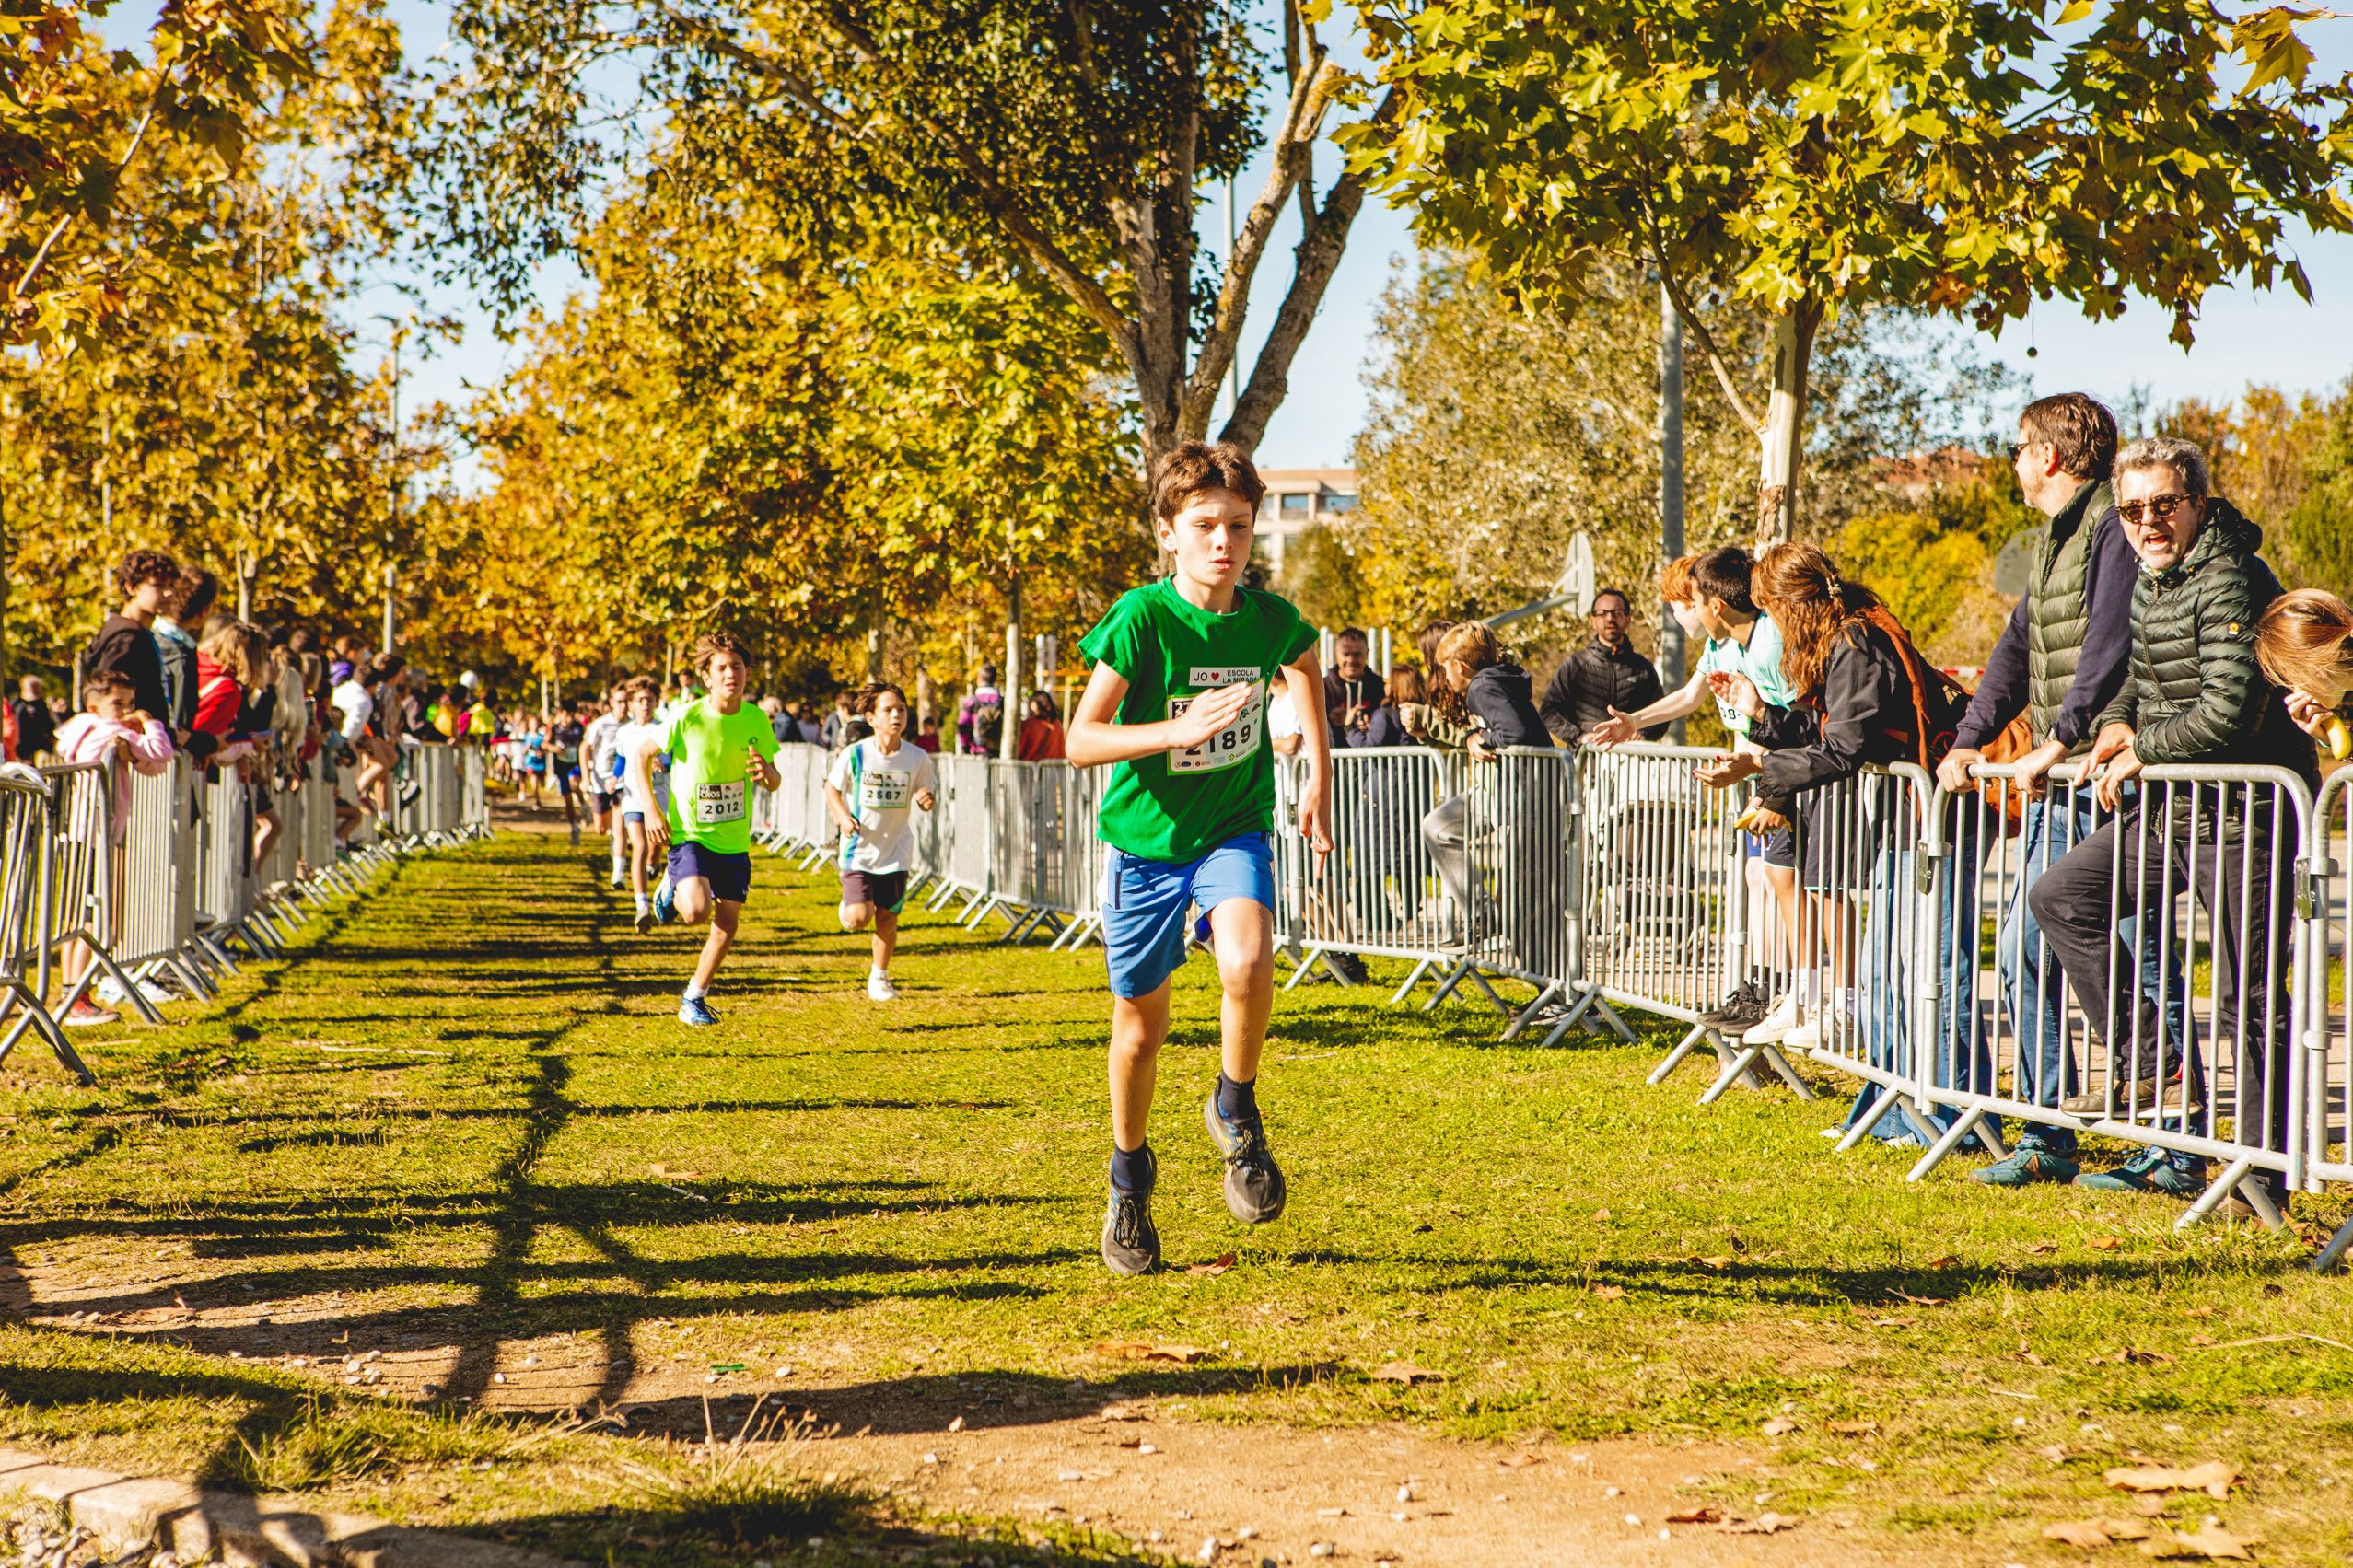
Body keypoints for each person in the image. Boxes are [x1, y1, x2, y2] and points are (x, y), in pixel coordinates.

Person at [2028, 436, 2315, 1220]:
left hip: (2241, 818)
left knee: (2246, 1000)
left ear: (2195, 502)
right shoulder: (2154, 578)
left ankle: (2260, 1180)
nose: (2146, 523)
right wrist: (2118, 727)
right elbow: (2134, 680)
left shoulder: (2227, 575)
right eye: (2131, 510)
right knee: (2060, 897)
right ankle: (2153, 1057)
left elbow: (2229, 708)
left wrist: (2143, 750)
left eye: (2162, 505)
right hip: (2174, 807)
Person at [1067, 440, 1332, 1277]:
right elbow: (1080, 741)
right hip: (1144, 844)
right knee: (1139, 1033)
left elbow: (1303, 664)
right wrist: (1176, 730)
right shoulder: (1143, 618)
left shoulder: (1266, 618)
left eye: (1240, 526)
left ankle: (1235, 1104)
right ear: (1168, 533)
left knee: (1250, 957)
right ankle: (1128, 1177)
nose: (1224, 541)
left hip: (1233, 825)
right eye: (1205, 524)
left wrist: (1318, 770)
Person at [1928, 394, 2187, 1191]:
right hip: (2061, 775)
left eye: (2016, 448)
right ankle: (2048, 1134)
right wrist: (1969, 738)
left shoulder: (2110, 526)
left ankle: (2175, 1143)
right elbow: (2015, 649)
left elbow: (2110, 644)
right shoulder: (2051, 539)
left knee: (2144, 960)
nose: (2011, 461)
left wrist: (2058, 739)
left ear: (2047, 454)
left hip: (2098, 775)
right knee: (2018, 954)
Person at [635, 631, 783, 1026]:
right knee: (697, 912)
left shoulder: (756, 720)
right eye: (721, 668)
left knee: (727, 924)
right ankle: (672, 886)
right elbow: (641, 755)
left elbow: (774, 779)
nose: (730, 674)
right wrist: (651, 809)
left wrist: (766, 771)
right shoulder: (687, 716)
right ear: (707, 676)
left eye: (737, 667)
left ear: (747, 673)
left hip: (734, 840)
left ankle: (693, 998)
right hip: (692, 835)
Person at [50, 670, 176, 1027]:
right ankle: (76, 997)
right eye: (117, 704)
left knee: (79, 918)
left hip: (79, 831)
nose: (126, 712)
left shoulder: (79, 730)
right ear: (94, 706)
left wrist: (134, 753)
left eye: (131, 704)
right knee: (96, 919)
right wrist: (149, 722)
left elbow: (150, 764)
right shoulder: (111, 732)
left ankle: (72, 992)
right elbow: (162, 752)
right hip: (96, 832)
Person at [1417, 621, 1551, 943]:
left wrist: (1483, 737)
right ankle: (1483, 915)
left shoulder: (1482, 686)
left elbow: (1515, 732)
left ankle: (1546, 981)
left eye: (1445, 669)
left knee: (1523, 895)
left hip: (1522, 795)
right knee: (1437, 826)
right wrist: (1472, 736)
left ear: (1460, 666)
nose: (1445, 678)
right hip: (1501, 790)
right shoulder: (1497, 680)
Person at [825, 681, 939, 1001]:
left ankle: (880, 976)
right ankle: (849, 910)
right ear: (871, 717)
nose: (896, 716)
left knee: (888, 918)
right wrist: (843, 817)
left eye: (901, 710)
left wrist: (924, 797)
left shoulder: (917, 757)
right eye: (888, 710)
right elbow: (832, 789)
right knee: (860, 917)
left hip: (897, 849)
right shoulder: (856, 755)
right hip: (860, 849)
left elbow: (923, 788)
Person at [1538, 588, 1665, 747]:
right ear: (1593, 620)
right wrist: (1580, 737)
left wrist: (1643, 734)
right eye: (1602, 613)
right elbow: (1548, 711)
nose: (1609, 618)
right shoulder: (1576, 664)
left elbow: (1662, 713)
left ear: (1628, 618)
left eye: (1617, 613)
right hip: (1588, 760)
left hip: (1633, 760)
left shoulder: (1644, 668)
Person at [80, 550, 178, 737]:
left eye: (172, 585)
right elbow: (108, 699)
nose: (169, 592)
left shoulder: (133, 632)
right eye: (158, 585)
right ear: (131, 587)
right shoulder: (127, 639)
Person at [612, 679, 671, 932]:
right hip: (633, 798)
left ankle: (653, 865)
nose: (645, 705)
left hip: (659, 799)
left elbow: (673, 760)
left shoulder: (665, 728)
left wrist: (663, 765)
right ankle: (642, 907)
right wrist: (613, 778)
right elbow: (621, 760)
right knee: (639, 844)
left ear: (657, 702)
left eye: (649, 700)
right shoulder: (624, 732)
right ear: (631, 705)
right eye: (640, 700)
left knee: (654, 846)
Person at [153, 567, 217, 743]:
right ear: (204, 610)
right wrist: (204, 745)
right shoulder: (179, 655)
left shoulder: (151, 637)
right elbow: (181, 721)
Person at [585, 689, 627, 885]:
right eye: (619, 701)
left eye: (626, 701)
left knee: (620, 829)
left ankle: (617, 874)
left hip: (622, 782)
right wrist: (586, 777)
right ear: (611, 702)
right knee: (601, 828)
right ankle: (611, 836)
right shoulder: (601, 724)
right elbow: (584, 748)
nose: (623, 706)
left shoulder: (633, 723)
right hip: (600, 781)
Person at [1323, 627, 1385, 747]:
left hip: (1371, 761)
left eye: (1357, 655)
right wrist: (1329, 720)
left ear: (1367, 653)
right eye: (1346, 654)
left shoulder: (1379, 686)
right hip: (1335, 761)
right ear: (1336, 653)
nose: (1351, 660)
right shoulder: (1323, 687)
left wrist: (1375, 727)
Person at [959, 665, 1007, 756]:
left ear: (979, 678)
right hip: (998, 752)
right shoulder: (1002, 701)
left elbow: (962, 726)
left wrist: (966, 747)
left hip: (978, 751)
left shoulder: (972, 702)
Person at [12, 676, 57, 761]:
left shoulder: (41, 704)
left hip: (41, 749)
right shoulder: (18, 707)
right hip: (23, 750)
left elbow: (48, 724)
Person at [1017, 691, 1066, 760]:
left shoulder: (1030, 724)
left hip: (1031, 767)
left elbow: (1019, 749)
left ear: (1034, 705)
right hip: (1053, 768)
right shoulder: (1057, 724)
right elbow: (1062, 751)